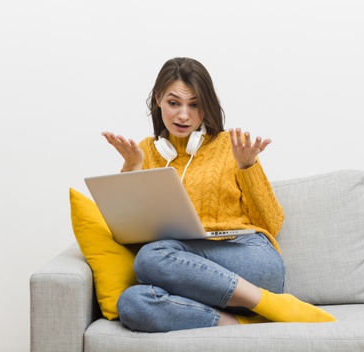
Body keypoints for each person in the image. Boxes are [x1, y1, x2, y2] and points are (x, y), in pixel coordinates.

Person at [102, 57, 336, 332]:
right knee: (132, 303)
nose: (183, 115)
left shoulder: (230, 146)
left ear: (207, 105)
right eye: (174, 103)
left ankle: (269, 302)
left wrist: (247, 166)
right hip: (189, 274)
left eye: (195, 104)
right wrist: (131, 168)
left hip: (248, 257)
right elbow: (127, 230)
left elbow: (272, 222)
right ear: (157, 100)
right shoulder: (146, 151)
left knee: (150, 258)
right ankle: (246, 320)